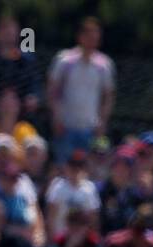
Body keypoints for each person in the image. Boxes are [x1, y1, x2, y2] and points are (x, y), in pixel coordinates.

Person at [47, 17, 115, 162]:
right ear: (80, 37)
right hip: (66, 126)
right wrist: (56, 117)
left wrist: (102, 122)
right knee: (63, 166)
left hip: (90, 128)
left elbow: (108, 96)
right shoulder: (65, 60)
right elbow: (52, 90)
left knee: (88, 169)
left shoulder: (104, 65)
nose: (92, 41)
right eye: (89, 37)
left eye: (95, 37)